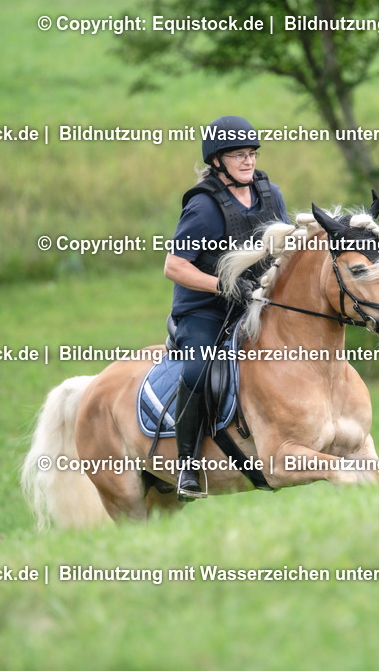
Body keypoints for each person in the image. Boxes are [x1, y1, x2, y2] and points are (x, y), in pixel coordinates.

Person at [163, 115, 289, 500]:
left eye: (252, 153)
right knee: (199, 368)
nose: (248, 161)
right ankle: (187, 467)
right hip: (205, 311)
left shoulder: (271, 195)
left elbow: (285, 250)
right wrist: (223, 284)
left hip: (253, 305)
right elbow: (174, 266)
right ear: (217, 161)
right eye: (238, 155)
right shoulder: (203, 207)